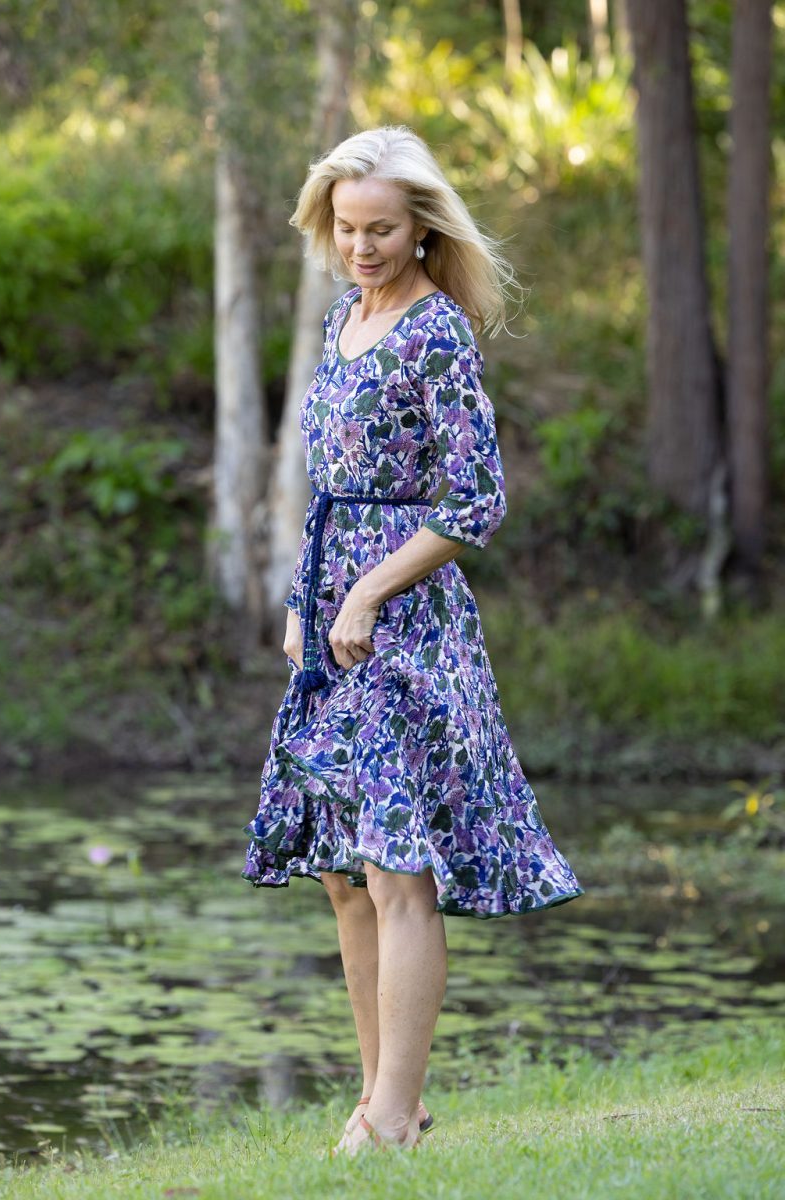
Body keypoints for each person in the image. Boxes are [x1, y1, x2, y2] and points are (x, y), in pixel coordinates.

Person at [241, 125, 584, 1156]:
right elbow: (330, 489)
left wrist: (366, 595)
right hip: (334, 612)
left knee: (396, 867)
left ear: (422, 226)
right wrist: (310, 601)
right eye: (345, 229)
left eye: (381, 229)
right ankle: (384, 1101)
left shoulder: (436, 333)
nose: (361, 247)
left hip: (407, 629)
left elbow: (474, 498)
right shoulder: (343, 319)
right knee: (343, 870)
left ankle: (389, 1114)